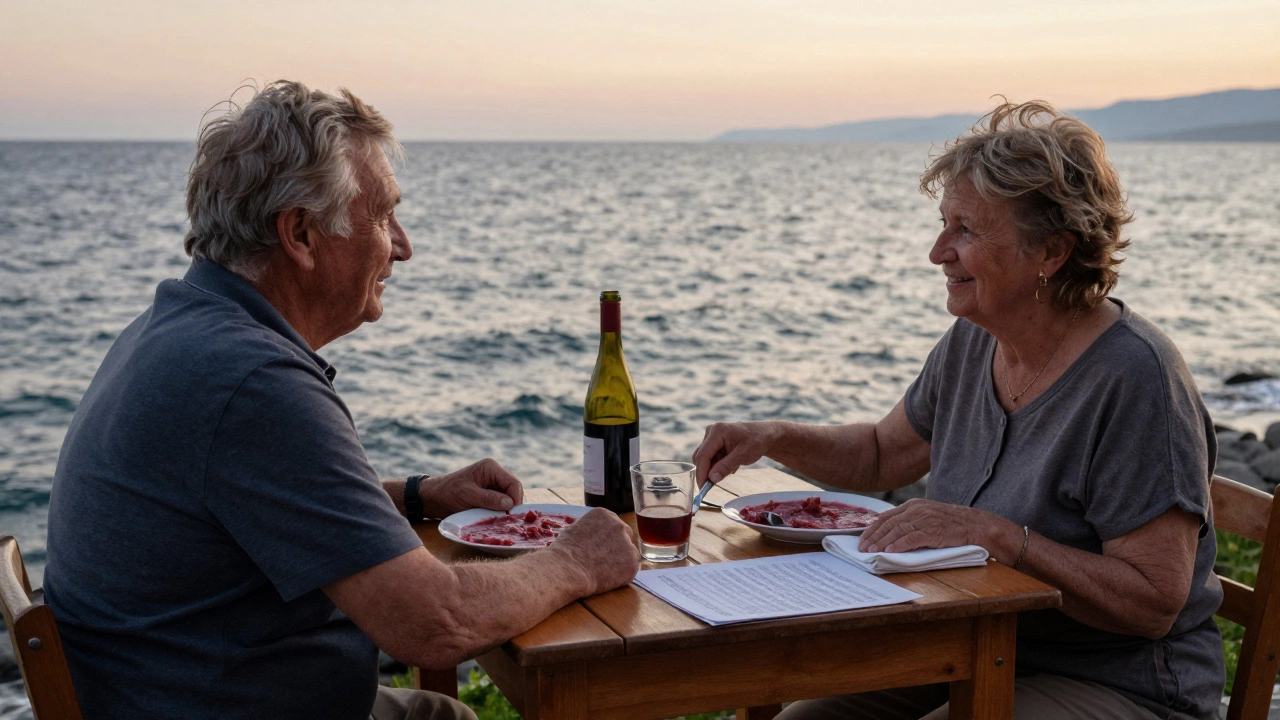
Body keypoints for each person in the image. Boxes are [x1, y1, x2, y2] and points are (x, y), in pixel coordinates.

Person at [43, 81, 640, 720]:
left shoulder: (178, 329)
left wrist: (417, 495)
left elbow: (251, 505)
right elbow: (433, 623)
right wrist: (575, 561)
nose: (402, 246)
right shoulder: (251, 383)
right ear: (300, 234)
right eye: (382, 217)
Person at [693, 101, 1223, 720]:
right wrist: (773, 435)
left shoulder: (1136, 379)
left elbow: (1153, 600)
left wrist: (995, 536)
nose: (937, 251)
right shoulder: (978, 339)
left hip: (1118, 682)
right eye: (944, 224)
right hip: (964, 645)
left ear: (1051, 252)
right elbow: (881, 454)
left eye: (966, 230)